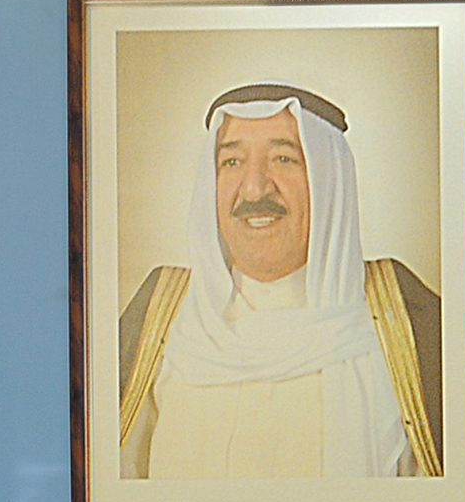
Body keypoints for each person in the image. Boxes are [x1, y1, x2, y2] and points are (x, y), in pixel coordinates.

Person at [119, 82, 442, 479]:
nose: (254, 188)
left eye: (284, 159)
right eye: (232, 163)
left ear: (329, 182)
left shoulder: (402, 321)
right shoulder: (163, 316)